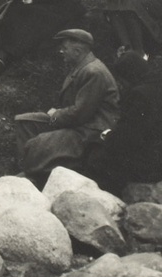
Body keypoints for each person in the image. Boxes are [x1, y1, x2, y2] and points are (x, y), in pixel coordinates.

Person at [12, 29, 119, 188]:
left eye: (65, 48)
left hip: (91, 130)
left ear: (78, 51)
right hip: (78, 124)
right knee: (25, 122)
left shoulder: (93, 72)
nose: (61, 51)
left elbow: (81, 113)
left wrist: (56, 115)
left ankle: (35, 175)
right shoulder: (80, 67)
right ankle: (31, 171)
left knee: (39, 143)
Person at [82, 50, 162, 195]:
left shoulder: (140, 94)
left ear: (129, 75)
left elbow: (128, 136)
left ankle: (103, 197)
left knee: (96, 156)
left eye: (122, 80)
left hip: (153, 164)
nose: (122, 84)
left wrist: (106, 137)